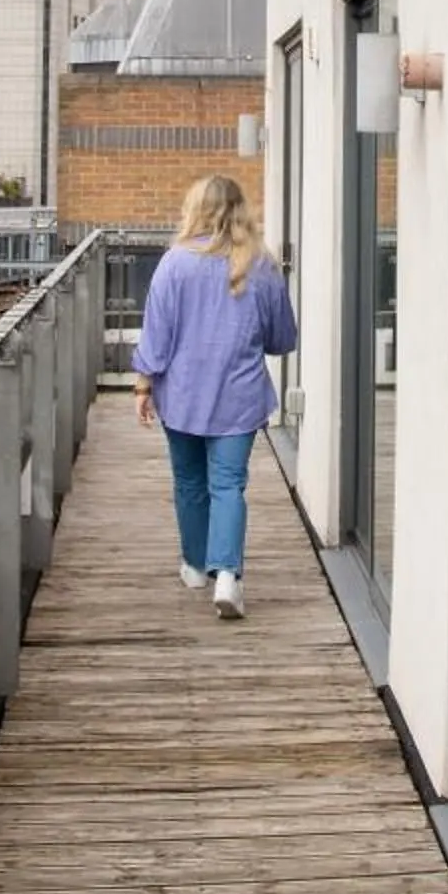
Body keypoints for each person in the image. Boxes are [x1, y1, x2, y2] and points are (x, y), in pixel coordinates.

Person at [134, 173, 297, 620]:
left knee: (189, 481)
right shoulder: (260, 265)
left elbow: (156, 334)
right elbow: (282, 338)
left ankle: (194, 566)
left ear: (195, 210)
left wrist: (144, 384)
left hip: (182, 394)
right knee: (228, 484)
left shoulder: (174, 263)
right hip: (237, 396)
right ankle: (227, 575)